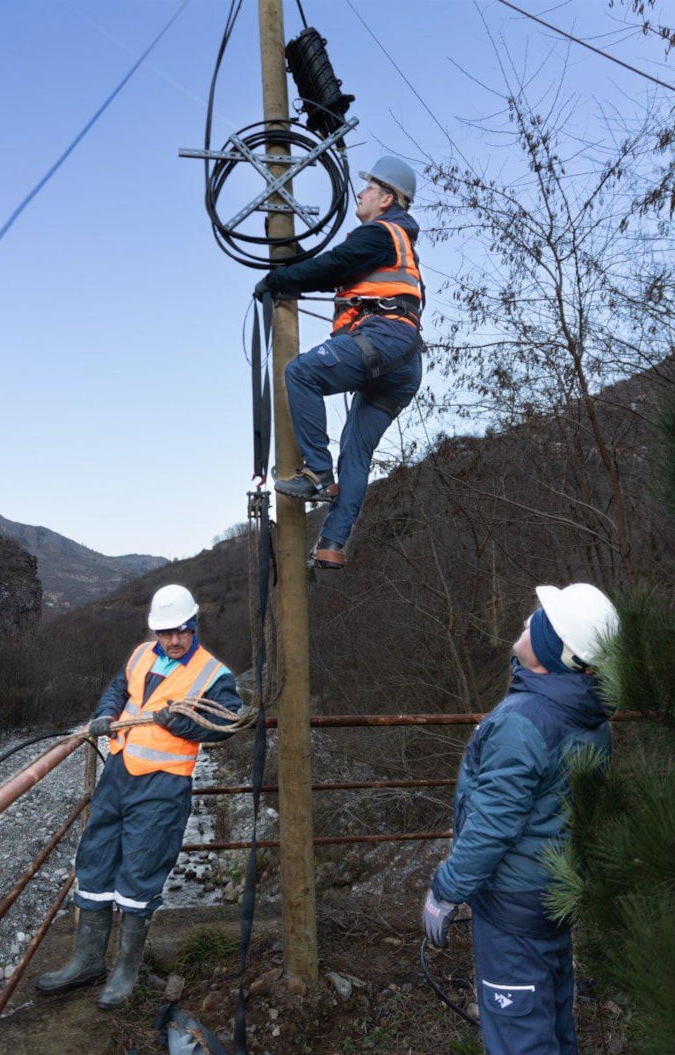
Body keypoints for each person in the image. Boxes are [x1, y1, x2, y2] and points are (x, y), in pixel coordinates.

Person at [422, 583, 620, 1055]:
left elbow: (492, 826)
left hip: (512, 910)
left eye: (539, 619)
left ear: (552, 647)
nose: (527, 620)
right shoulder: (589, 715)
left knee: (520, 1039)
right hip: (553, 897)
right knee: (551, 1021)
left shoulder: (524, 721)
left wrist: (446, 890)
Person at [36, 584, 242, 1010]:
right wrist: (105, 715)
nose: (173, 640)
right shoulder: (140, 655)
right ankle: (88, 961)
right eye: (165, 632)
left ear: (194, 625)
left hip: (163, 786)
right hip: (119, 772)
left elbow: (227, 723)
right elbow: (118, 688)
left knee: (140, 870)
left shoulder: (213, 674)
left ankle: (125, 970)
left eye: (181, 631)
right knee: (94, 859)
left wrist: (181, 724)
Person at [254, 155, 424, 570]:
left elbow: (333, 265)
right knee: (356, 450)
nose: (361, 193)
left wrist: (278, 280)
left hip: (384, 341)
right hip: (403, 362)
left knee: (301, 373)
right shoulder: (399, 248)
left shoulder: (381, 233)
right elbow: (343, 271)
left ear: (386, 199)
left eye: (368, 188)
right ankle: (332, 543)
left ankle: (316, 475)